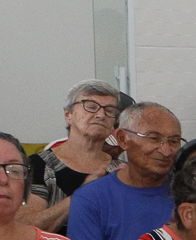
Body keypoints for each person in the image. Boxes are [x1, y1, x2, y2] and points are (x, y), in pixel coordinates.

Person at [67, 101, 181, 240]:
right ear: (123, 139)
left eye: (173, 141)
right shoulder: (91, 199)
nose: (166, 150)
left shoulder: (191, 194)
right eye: (153, 138)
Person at [27, 82, 124, 231]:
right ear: (68, 115)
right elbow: (28, 227)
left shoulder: (120, 171)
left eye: (110, 110)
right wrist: (83, 195)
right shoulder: (40, 165)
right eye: (91, 107)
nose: (101, 115)